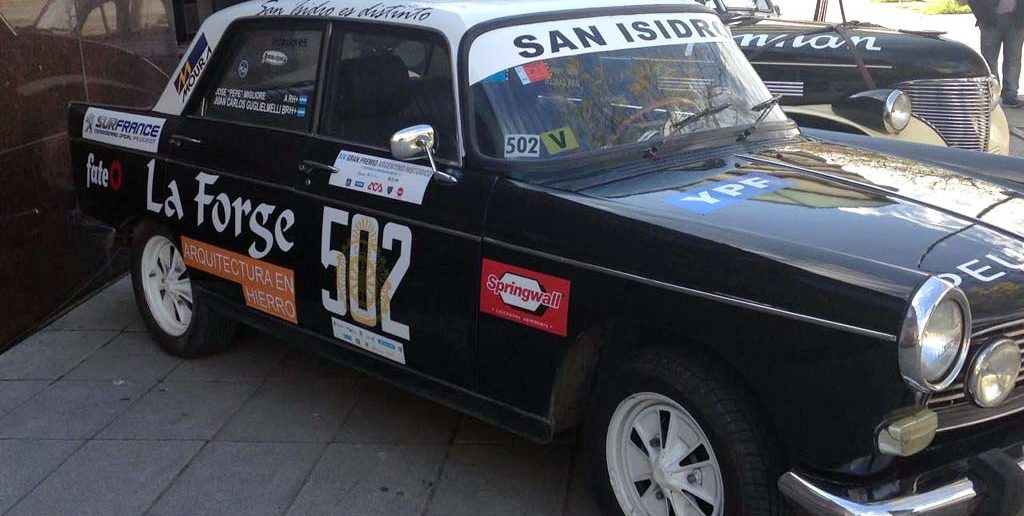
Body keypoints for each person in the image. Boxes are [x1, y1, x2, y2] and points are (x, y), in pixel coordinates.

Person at [970, 0, 1024, 107]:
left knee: (1013, 59)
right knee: (989, 60)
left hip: (1017, 20)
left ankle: (1010, 96)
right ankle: (992, 95)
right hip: (991, 21)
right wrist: (983, 16)